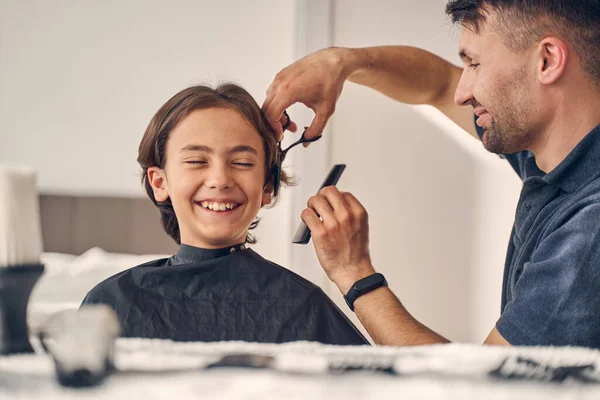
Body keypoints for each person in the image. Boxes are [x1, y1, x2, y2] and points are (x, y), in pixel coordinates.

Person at [263, 0, 600, 348]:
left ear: (547, 61)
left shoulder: (590, 228)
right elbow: (436, 84)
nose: (462, 92)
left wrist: (354, 273)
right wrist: (343, 62)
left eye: (475, 63)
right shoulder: (550, 153)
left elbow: (483, 387)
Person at [81, 83, 368, 345]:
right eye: (196, 161)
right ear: (160, 182)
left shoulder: (304, 306)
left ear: (267, 187)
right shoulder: (110, 303)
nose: (220, 179)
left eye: (242, 162)